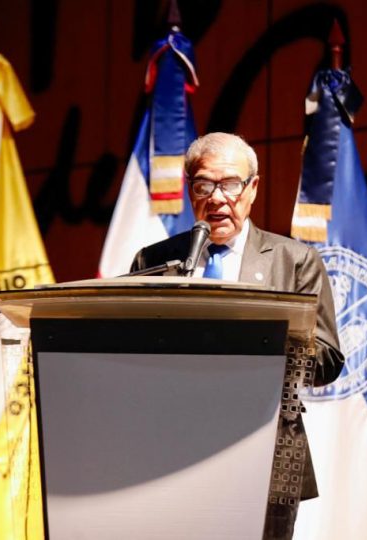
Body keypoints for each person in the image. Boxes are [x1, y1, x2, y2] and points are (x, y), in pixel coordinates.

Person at [131, 132, 343, 539]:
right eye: (203, 185)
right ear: (190, 190)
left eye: (230, 184)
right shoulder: (155, 260)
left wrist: (263, 340)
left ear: (252, 189)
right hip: (172, 448)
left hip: (267, 454)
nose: (216, 198)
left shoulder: (295, 261)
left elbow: (328, 360)